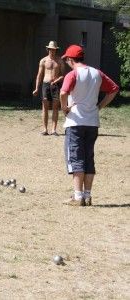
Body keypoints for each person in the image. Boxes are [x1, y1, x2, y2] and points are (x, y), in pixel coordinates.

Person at [60, 45, 119, 206]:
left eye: (66, 59)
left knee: (76, 157)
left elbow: (63, 93)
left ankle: (77, 197)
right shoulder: (97, 73)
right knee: (88, 158)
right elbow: (114, 89)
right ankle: (87, 196)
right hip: (92, 123)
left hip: (75, 122)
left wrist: (64, 108)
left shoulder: (72, 74)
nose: (66, 62)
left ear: (71, 60)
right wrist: (99, 106)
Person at [33, 41, 65, 136]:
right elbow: (39, 75)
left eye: (54, 49)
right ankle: (44, 129)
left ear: (56, 50)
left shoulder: (59, 61)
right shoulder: (43, 61)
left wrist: (57, 80)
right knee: (45, 106)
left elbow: (63, 75)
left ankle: (54, 130)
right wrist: (36, 88)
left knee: (55, 107)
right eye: (51, 49)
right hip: (45, 84)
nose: (52, 51)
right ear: (48, 49)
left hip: (56, 85)